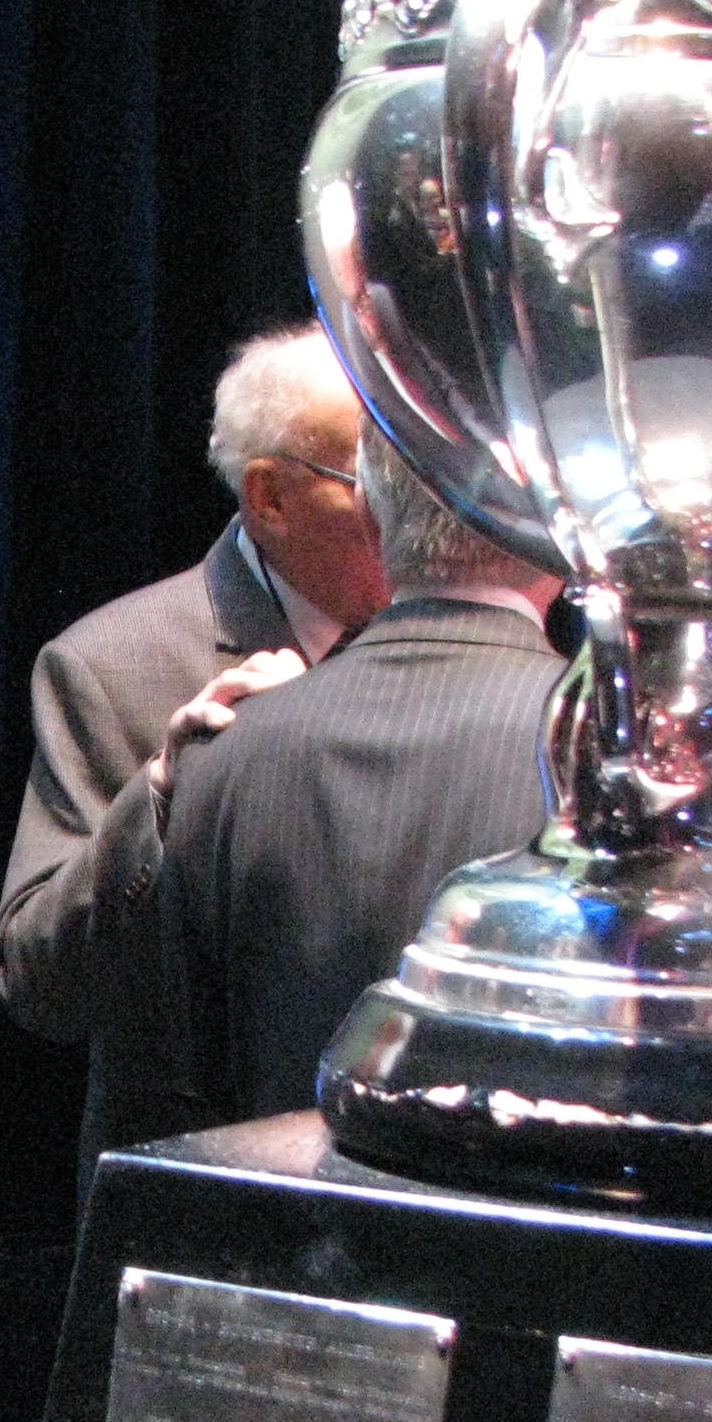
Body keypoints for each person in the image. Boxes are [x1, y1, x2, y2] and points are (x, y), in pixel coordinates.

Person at [0, 323, 389, 1168]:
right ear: (268, 497)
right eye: (375, 479)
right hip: (207, 1185)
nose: (412, 510)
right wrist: (168, 790)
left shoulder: (454, 632)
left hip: (411, 1168)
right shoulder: (109, 666)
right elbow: (38, 984)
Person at [145, 429, 564, 1135]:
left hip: (289, 1232)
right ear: (558, 531)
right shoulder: (612, 751)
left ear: (370, 517)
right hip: (527, 1231)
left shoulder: (221, 752)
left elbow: (190, 1066)